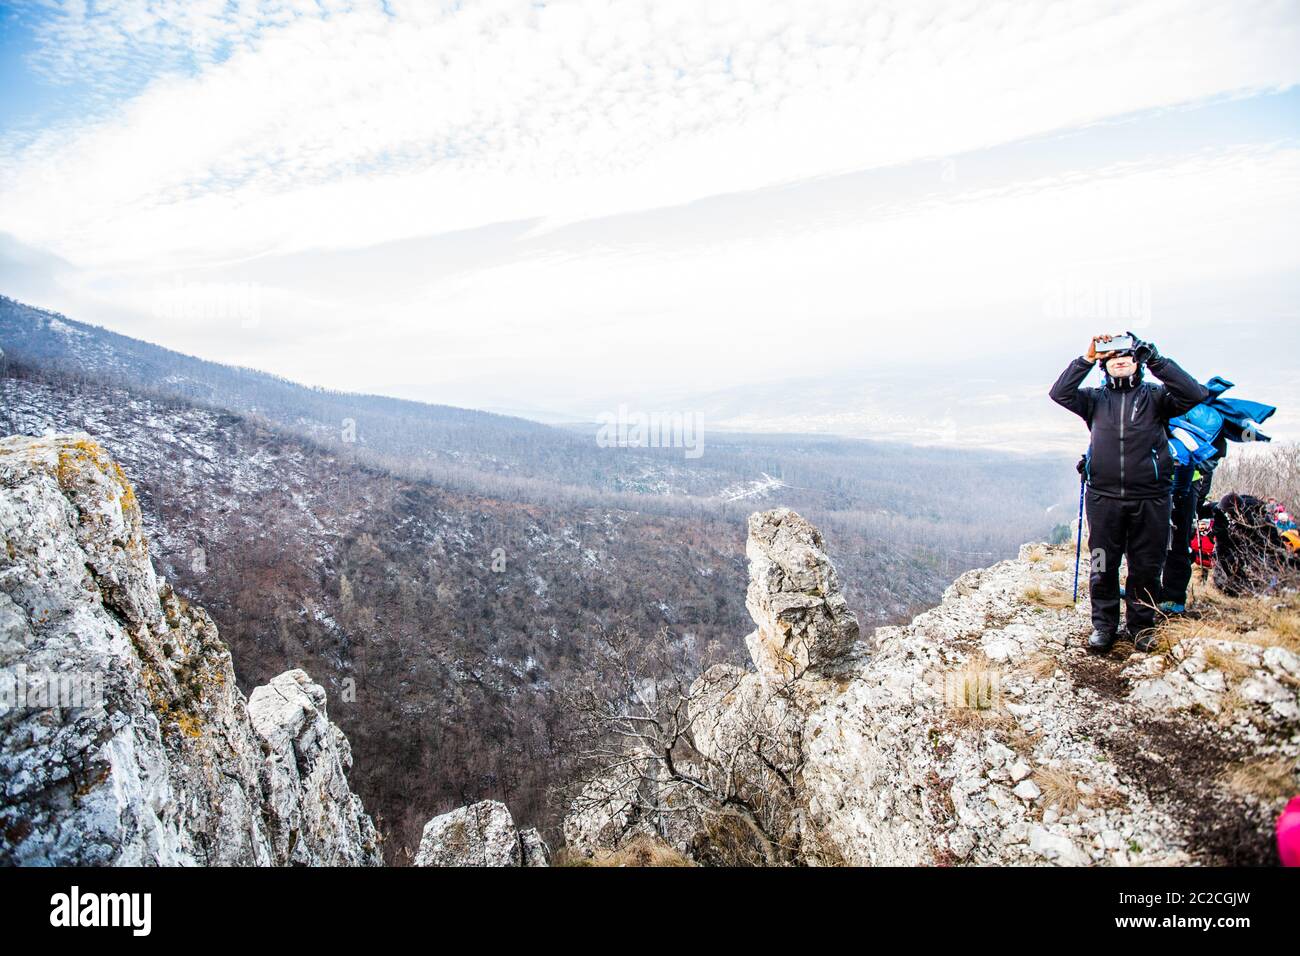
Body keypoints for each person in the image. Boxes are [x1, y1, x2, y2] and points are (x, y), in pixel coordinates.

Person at [1050, 333, 1209, 653]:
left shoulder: (1157, 397)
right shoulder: (1095, 399)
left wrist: (1157, 360)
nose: (1120, 360)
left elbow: (1193, 393)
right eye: (1112, 356)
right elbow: (1060, 393)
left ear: (1137, 361)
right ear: (1105, 364)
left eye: (1128, 354)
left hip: (1150, 497)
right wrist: (1086, 358)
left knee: (1146, 567)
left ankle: (1141, 627)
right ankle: (1104, 626)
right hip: (1103, 498)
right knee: (1102, 564)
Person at [1210, 492, 1300, 596]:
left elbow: (1272, 543)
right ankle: (1236, 587)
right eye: (1226, 513)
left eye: (1229, 513)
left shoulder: (1256, 517)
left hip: (1262, 541)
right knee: (1226, 559)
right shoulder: (1219, 512)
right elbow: (1221, 544)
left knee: (1275, 559)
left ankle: (1280, 581)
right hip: (1237, 545)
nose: (1228, 515)